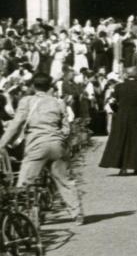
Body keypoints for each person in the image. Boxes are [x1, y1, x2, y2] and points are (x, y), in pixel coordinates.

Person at [0, 72, 82, 224]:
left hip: (36, 146)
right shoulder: (58, 102)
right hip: (57, 145)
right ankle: (77, 214)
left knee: (24, 183)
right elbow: (66, 129)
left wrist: (2, 144)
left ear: (32, 86)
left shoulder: (27, 101)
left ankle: (24, 219)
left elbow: (16, 124)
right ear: (50, 86)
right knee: (64, 180)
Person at [99, 67, 137, 176]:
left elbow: (112, 102)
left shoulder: (119, 87)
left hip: (122, 118)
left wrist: (118, 111)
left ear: (126, 75)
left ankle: (123, 168)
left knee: (122, 141)